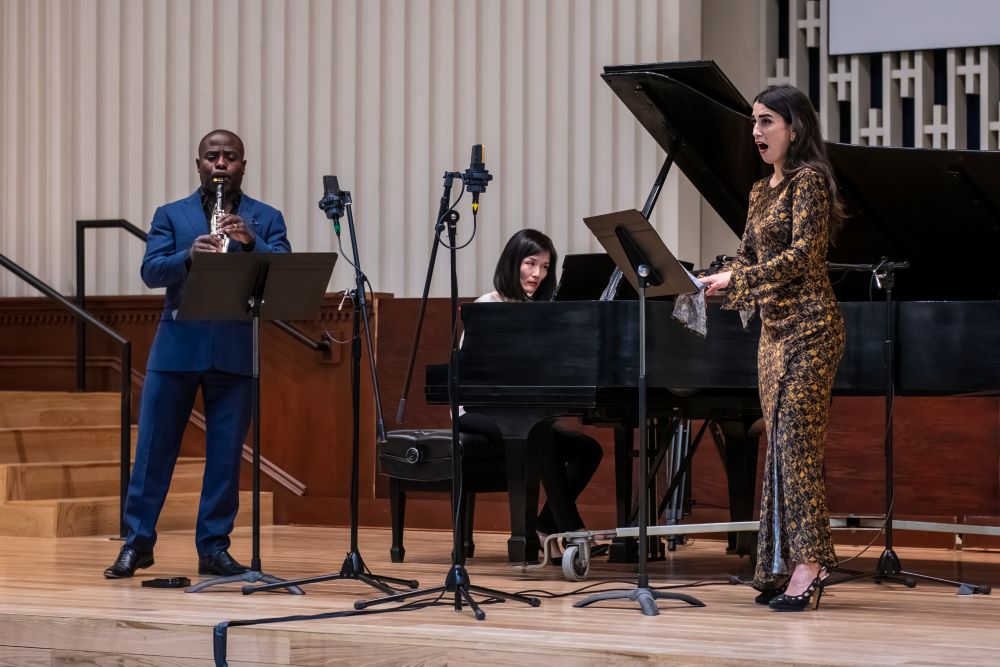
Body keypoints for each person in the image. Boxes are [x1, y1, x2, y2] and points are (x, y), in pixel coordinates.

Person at [104, 129, 291, 579]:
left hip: (235, 348)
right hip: (176, 349)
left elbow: (282, 272)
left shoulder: (265, 217)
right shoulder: (171, 215)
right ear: (199, 164)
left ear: (243, 165)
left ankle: (213, 547)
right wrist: (188, 255)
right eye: (212, 156)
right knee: (152, 451)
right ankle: (138, 543)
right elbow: (150, 271)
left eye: (230, 157)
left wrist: (251, 243)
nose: (220, 163)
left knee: (225, 456)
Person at [699, 85, 846, 611]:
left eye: (766, 122)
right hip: (772, 335)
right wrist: (712, 279)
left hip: (811, 330)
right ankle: (779, 566)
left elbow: (804, 257)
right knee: (779, 450)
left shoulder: (810, 182)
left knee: (797, 448)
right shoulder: (762, 191)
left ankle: (811, 564)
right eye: (754, 122)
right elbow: (745, 255)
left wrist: (735, 284)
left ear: (794, 127)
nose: (756, 132)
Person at [459, 229, 605, 551]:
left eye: (545, 267)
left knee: (588, 450)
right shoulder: (488, 306)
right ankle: (572, 529)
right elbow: (479, 375)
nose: (538, 274)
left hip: (519, 410)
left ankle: (543, 528)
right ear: (514, 262)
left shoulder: (535, 311)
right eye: (531, 263)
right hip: (477, 411)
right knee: (543, 434)